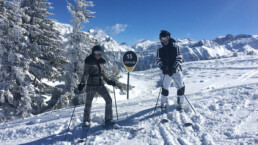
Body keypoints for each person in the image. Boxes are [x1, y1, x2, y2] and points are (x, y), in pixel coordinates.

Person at [77, 45, 117, 127]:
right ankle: (86, 120)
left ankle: (108, 119)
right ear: (93, 52)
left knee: (109, 100)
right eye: (96, 52)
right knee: (88, 103)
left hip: (100, 84)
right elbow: (85, 73)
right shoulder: (89, 61)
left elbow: (103, 74)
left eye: (100, 53)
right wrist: (82, 83)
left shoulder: (101, 62)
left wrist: (109, 81)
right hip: (91, 85)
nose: (98, 54)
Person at [156, 30, 185, 112]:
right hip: (166, 71)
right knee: (165, 87)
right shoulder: (160, 49)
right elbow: (158, 60)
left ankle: (180, 103)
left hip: (176, 70)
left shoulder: (175, 46)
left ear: (169, 37)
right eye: (162, 39)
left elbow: (179, 59)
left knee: (180, 86)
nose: (164, 40)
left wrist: (173, 68)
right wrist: (163, 68)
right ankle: (163, 103)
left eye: (166, 38)